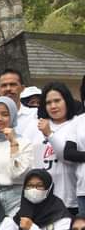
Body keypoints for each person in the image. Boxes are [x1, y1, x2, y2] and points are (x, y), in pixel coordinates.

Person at [35, 82, 80, 213]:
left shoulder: (77, 123)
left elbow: (69, 158)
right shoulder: (36, 125)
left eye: (57, 101)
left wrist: (49, 134)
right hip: (43, 200)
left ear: (67, 101)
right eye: (48, 102)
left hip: (70, 199)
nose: (53, 106)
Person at [0, 69, 41, 146]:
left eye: (13, 84)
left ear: (22, 88)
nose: (8, 88)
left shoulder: (35, 116)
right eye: (4, 85)